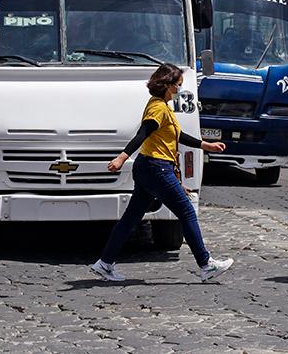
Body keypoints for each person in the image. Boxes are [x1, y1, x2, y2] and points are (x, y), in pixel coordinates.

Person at [91, 63, 234, 282]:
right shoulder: (158, 107)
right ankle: (206, 264)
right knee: (186, 212)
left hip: (150, 168)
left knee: (131, 218)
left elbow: (178, 135)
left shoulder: (161, 106)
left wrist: (206, 145)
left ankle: (105, 263)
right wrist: (122, 157)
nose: (179, 91)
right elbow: (143, 133)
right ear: (166, 85)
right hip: (156, 168)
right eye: (177, 86)